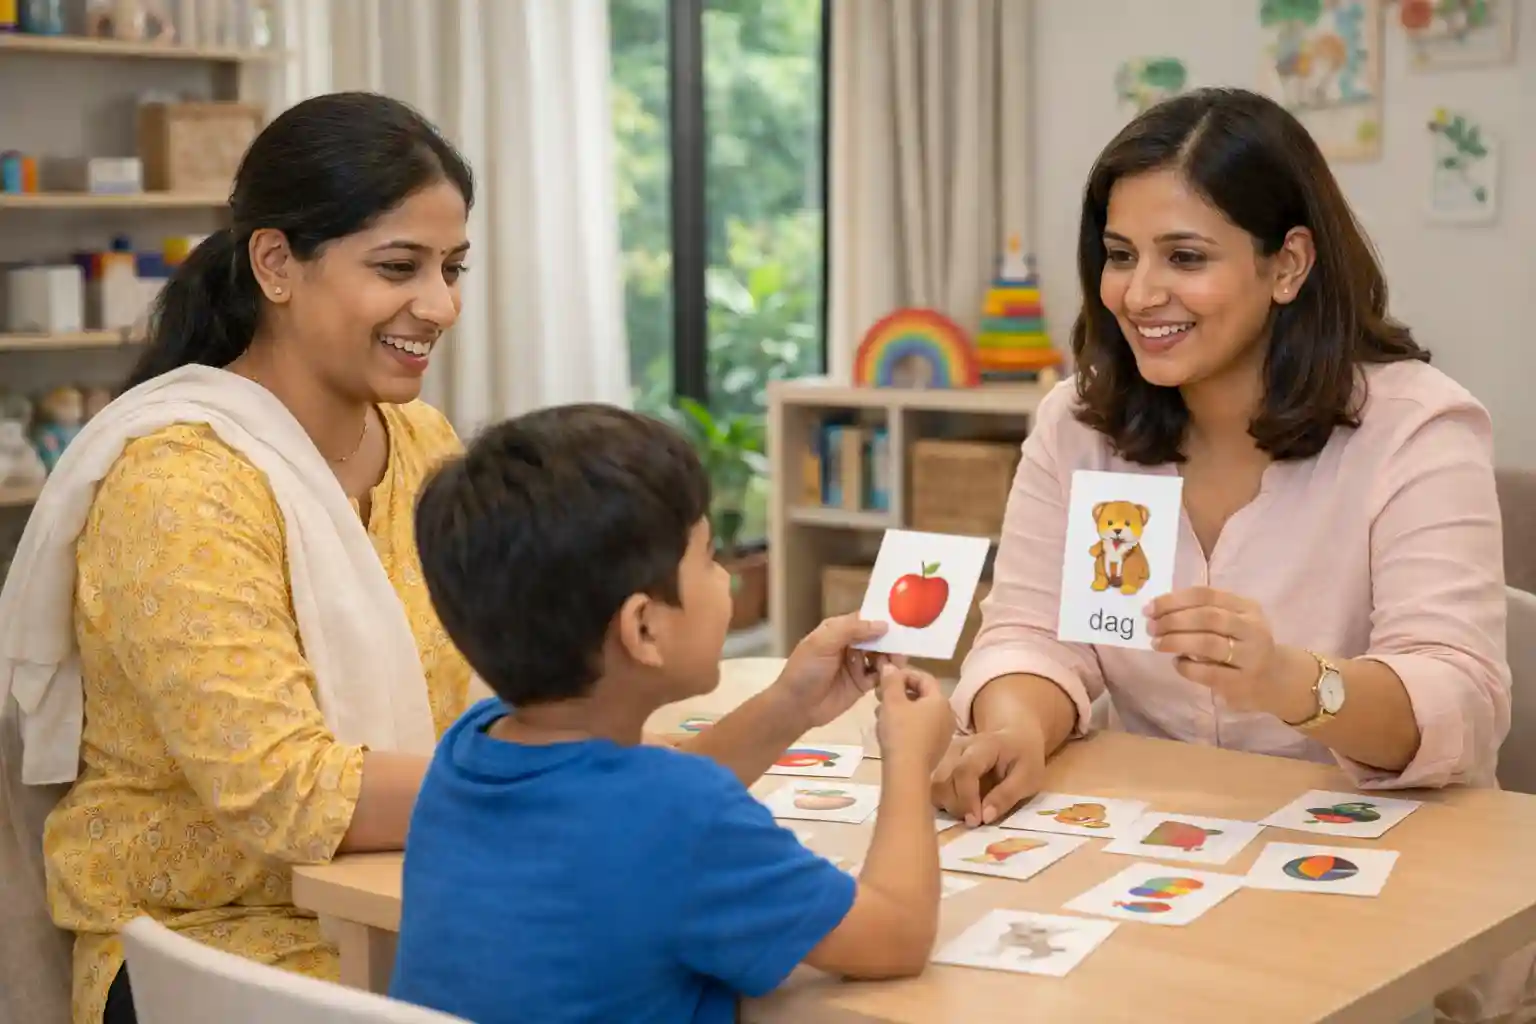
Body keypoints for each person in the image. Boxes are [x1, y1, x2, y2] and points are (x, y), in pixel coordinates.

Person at [931, 88, 1520, 1021]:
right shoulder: (1078, 426)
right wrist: (1013, 726)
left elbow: (1460, 699)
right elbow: (1033, 635)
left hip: (1392, 897)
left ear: (1288, 264)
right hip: (1151, 877)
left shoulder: (1416, 430)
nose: (1139, 294)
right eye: (1120, 255)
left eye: (1186, 257)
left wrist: (1294, 681)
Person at [0, 92, 478, 1024]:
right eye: (399, 267)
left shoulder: (424, 445)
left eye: (453, 268)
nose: (441, 305)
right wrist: (556, 784)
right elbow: (287, 792)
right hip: (216, 955)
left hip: (410, 902)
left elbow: (490, 690)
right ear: (275, 264)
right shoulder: (179, 483)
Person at [389, 404, 957, 1024]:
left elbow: (645, 802)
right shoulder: (682, 815)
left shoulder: (468, 750)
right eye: (709, 557)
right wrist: (909, 758)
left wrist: (792, 702)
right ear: (643, 628)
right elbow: (897, 933)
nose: (728, 581)